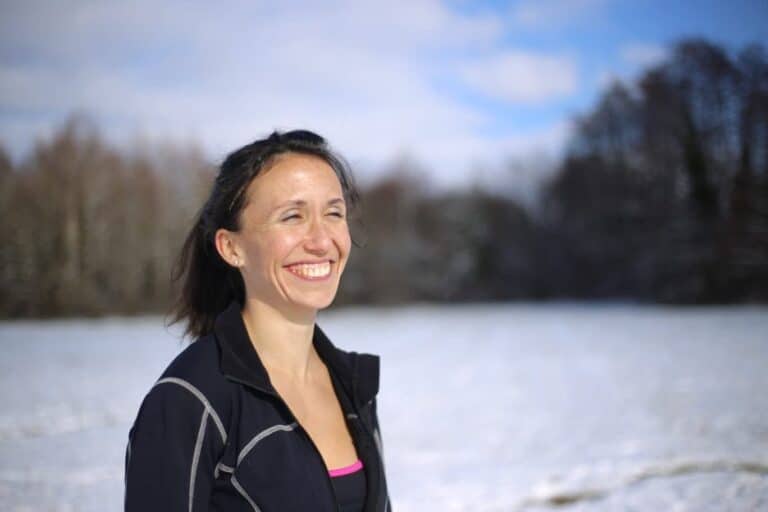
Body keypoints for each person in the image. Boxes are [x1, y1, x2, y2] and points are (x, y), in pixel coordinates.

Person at [124, 130, 390, 512]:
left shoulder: (352, 383)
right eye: (292, 216)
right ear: (231, 247)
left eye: (334, 213)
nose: (321, 240)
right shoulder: (190, 399)